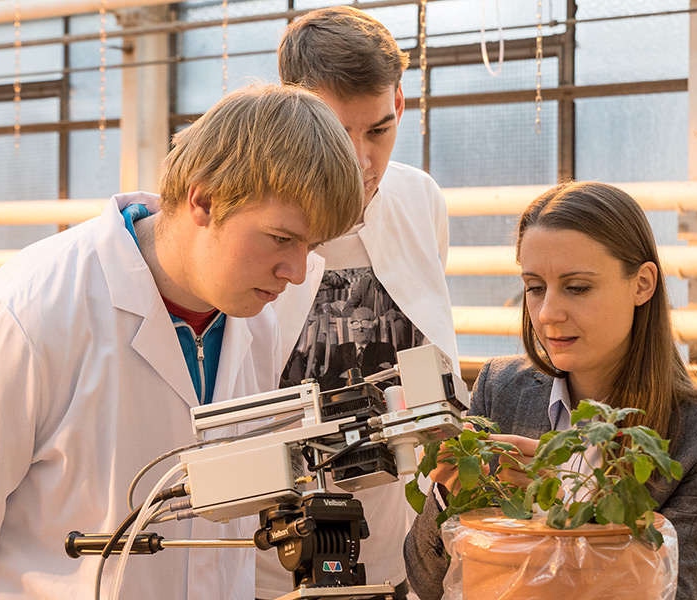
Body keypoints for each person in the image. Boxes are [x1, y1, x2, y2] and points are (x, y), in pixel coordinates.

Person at [0, 85, 363, 600]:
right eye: (281, 238)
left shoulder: (256, 323)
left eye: (311, 246)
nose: (297, 274)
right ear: (203, 198)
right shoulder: (27, 319)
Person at [403, 181, 697, 600]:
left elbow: (670, 593)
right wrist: (448, 493)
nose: (548, 313)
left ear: (642, 284)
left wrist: (572, 503)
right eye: (534, 287)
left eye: (578, 287)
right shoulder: (500, 389)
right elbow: (427, 584)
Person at [263, 6, 460, 598]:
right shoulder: (251, 216)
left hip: (402, 545)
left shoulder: (418, 199)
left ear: (399, 102)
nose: (360, 161)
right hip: (273, 556)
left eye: (378, 130)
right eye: (335, 132)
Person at [319, 306, 397, 390]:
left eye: (365, 324)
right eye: (355, 324)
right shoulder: (341, 350)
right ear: (352, 329)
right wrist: (374, 370)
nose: (360, 329)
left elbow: (387, 377)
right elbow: (327, 382)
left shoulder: (384, 348)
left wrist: (349, 375)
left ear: (373, 328)